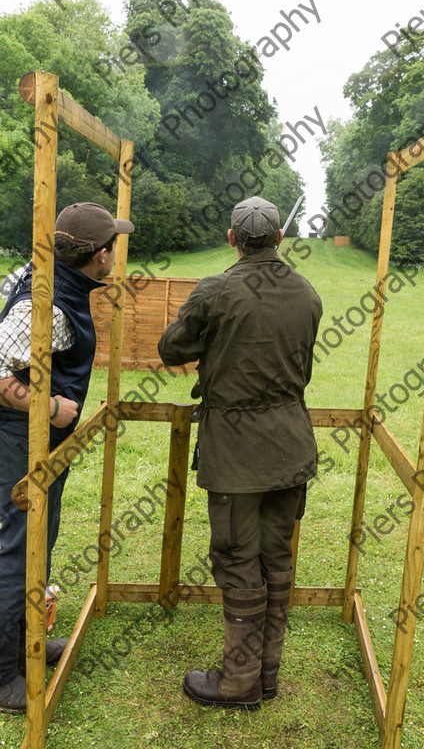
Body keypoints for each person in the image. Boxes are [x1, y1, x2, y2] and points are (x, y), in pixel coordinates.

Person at [158, 195, 322, 710]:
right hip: (291, 445)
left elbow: (171, 349)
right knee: (276, 560)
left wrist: (206, 315)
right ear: (278, 239)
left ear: (232, 239)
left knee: (236, 559)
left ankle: (238, 682)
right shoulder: (308, 293)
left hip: (236, 453)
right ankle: (265, 675)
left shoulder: (216, 290)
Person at [0, 202, 134, 713]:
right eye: (113, 245)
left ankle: (21, 644)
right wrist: (52, 405)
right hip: (18, 440)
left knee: (38, 543)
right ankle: (1, 676)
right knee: (16, 552)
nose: (115, 252)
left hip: (36, 443)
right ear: (99, 255)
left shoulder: (46, 276)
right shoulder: (49, 302)